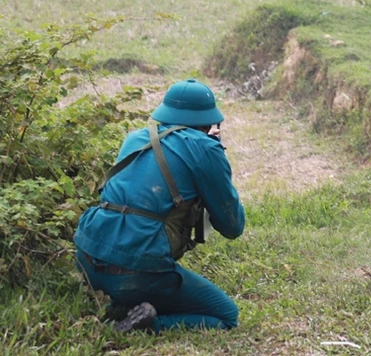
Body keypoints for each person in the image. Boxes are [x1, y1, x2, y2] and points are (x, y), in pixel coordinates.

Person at [74, 79, 246, 333]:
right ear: (209, 121)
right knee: (227, 315)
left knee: (134, 273)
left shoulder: (135, 138)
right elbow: (232, 226)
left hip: (87, 256)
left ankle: (120, 305)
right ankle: (151, 324)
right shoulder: (206, 148)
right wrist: (216, 157)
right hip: (138, 270)